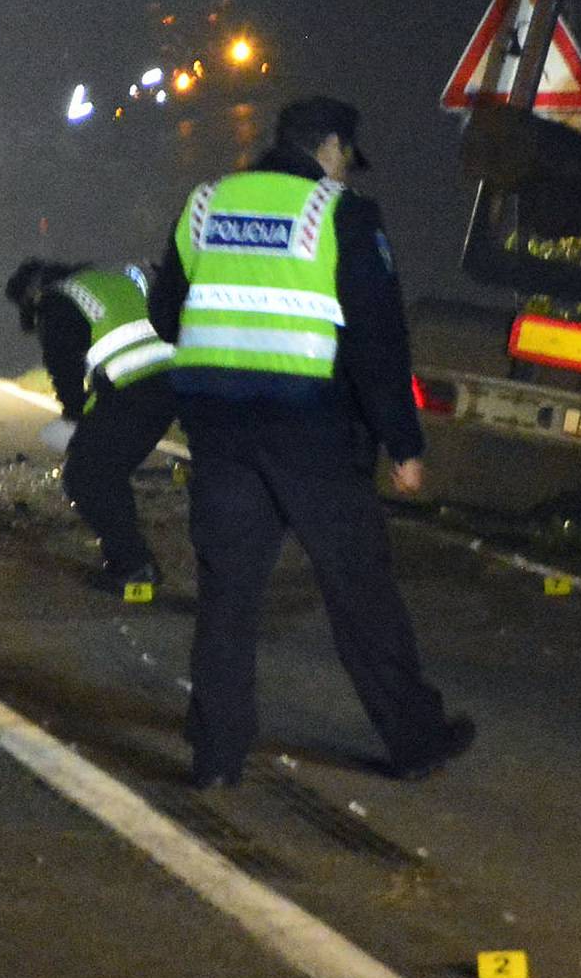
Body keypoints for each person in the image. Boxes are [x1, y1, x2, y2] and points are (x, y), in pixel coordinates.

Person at [147, 95, 474, 789]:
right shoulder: (340, 215)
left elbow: (165, 311)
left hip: (220, 427)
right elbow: (378, 343)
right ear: (329, 148)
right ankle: (414, 738)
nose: (347, 175)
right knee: (359, 591)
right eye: (345, 161)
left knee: (228, 594)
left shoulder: (205, 203)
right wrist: (404, 444)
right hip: (315, 433)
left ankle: (216, 753)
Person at [5, 257, 173, 589]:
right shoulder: (106, 283)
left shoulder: (55, 302)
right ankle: (125, 558)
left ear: (30, 296)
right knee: (108, 473)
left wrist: (74, 419)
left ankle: (135, 567)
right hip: (170, 386)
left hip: (131, 391)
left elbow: (64, 369)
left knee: (84, 478)